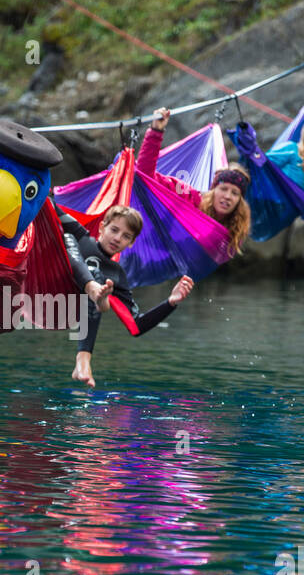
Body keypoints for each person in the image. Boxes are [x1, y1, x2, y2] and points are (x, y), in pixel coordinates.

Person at [61, 204, 194, 388]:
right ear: (102, 227)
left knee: (99, 280)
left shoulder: (116, 275)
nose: (117, 238)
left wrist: (170, 303)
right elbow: (49, 207)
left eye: (126, 236)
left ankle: (97, 304)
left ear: (131, 243)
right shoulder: (81, 236)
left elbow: (136, 325)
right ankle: (97, 295)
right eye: (114, 230)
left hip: (67, 306)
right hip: (50, 284)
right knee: (67, 238)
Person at [138, 106, 251, 257]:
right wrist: (155, 132)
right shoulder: (188, 195)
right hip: (148, 250)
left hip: (180, 268)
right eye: (223, 189)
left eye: (235, 193)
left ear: (239, 200)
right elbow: (145, 174)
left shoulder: (234, 230)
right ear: (213, 190)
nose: (228, 196)